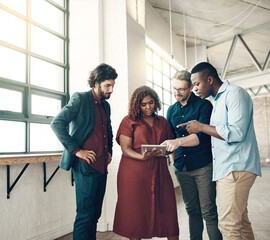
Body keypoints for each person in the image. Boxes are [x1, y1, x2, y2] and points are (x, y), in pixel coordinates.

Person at [178, 62, 262, 240]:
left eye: (197, 83)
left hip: (236, 168)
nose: (194, 89)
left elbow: (237, 132)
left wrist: (201, 127)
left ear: (209, 79)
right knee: (241, 222)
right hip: (228, 168)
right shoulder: (217, 100)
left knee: (228, 225)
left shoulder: (235, 94)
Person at [51, 63, 118, 240]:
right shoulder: (80, 99)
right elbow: (57, 123)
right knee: (84, 216)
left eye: (113, 85)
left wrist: (109, 150)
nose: (111, 90)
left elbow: (108, 130)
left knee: (95, 215)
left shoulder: (106, 106)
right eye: (107, 86)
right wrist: (76, 150)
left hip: (101, 166)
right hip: (85, 167)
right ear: (96, 83)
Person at [161, 70, 222, 240]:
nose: (176, 93)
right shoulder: (171, 111)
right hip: (182, 167)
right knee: (192, 210)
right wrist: (174, 163)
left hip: (203, 166)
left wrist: (178, 143)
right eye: (174, 88)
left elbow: (201, 138)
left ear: (190, 87)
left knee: (208, 211)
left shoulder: (204, 105)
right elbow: (171, 138)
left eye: (181, 89)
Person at [113, 86, 179, 240]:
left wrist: (167, 151)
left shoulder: (162, 121)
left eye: (151, 102)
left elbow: (170, 144)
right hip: (134, 172)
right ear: (137, 105)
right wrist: (142, 157)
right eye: (144, 104)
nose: (148, 107)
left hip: (160, 170)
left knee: (168, 211)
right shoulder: (128, 121)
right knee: (136, 214)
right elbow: (125, 149)